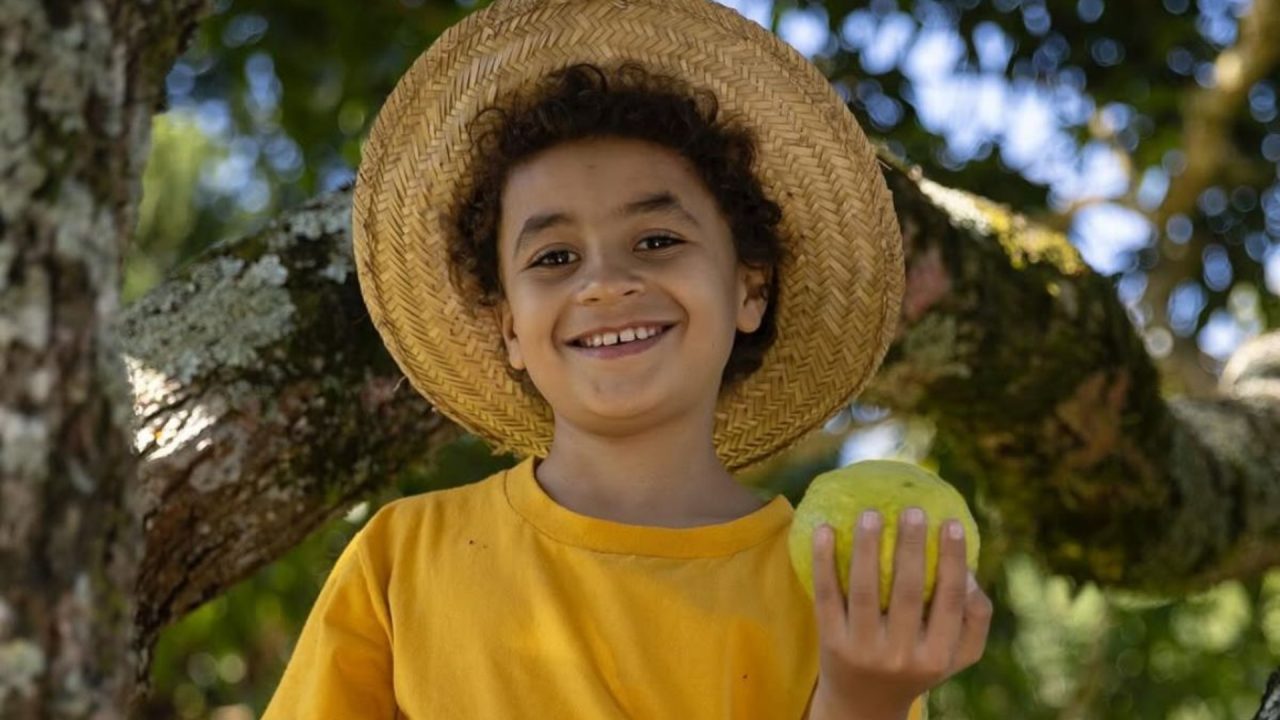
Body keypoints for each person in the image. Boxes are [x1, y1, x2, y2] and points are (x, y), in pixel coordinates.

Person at [262, 1, 992, 718]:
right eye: (553, 257)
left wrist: (863, 702)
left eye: (657, 241)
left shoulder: (836, 591)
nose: (605, 282)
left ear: (749, 289)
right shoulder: (400, 560)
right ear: (509, 327)